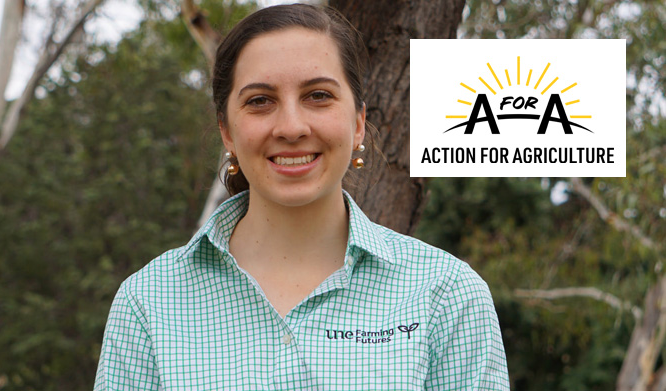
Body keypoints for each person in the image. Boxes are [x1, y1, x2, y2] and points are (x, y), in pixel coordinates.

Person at [94, 3, 509, 390]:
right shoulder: (148, 302)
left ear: (359, 122)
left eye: (318, 96)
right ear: (227, 131)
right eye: (260, 101)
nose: (291, 127)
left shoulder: (447, 294)